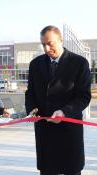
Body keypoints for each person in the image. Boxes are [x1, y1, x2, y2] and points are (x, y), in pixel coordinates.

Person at [25, 25, 91, 175]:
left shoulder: (79, 63)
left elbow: (84, 96)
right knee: (48, 170)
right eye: (43, 45)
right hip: (45, 131)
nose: (47, 49)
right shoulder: (36, 64)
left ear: (60, 40)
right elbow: (30, 92)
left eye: (50, 43)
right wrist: (31, 110)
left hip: (69, 129)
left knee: (71, 170)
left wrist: (64, 112)